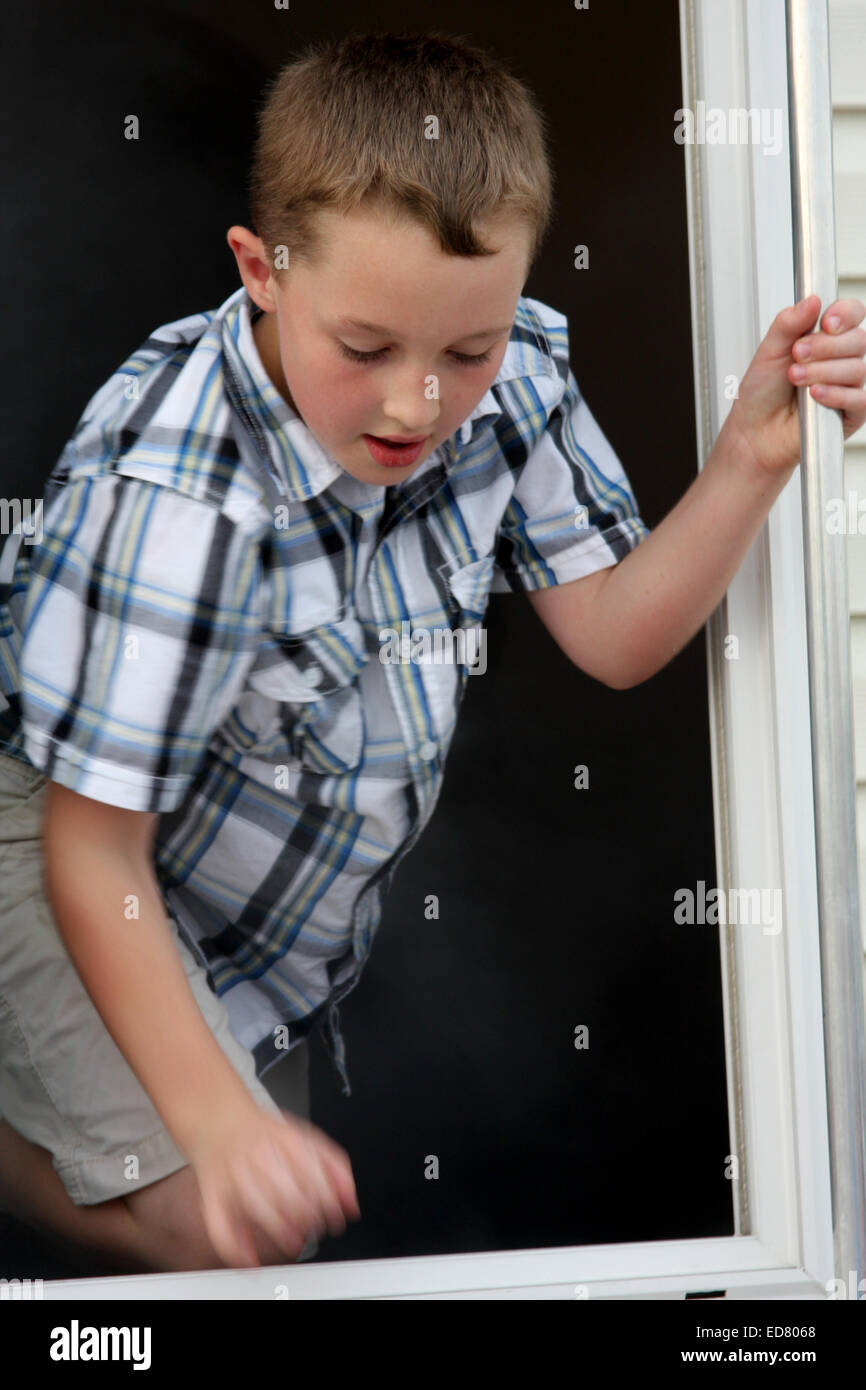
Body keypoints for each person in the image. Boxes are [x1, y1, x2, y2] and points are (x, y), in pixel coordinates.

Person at [0, 30, 864, 1278]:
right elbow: (93, 846)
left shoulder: (514, 378)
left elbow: (614, 636)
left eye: (466, 350)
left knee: (259, 1223)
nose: (419, 404)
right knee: (213, 1226)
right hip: (66, 847)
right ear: (260, 271)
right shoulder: (177, 495)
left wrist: (748, 461)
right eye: (365, 350)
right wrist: (215, 1120)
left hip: (245, 927)